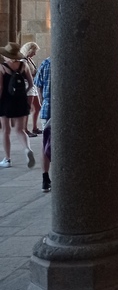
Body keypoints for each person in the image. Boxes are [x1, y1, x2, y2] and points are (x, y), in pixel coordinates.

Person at [0, 42, 35, 168]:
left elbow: (0, 87)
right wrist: (23, 94)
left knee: (6, 131)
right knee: (20, 130)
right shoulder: (24, 65)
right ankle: (27, 149)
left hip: (5, 101)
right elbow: (31, 84)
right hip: (20, 101)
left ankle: (7, 159)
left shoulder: (2, 67)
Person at [34, 55, 52, 192]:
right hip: (69, 110)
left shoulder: (46, 63)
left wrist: (42, 102)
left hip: (47, 108)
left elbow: (38, 86)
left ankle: (45, 178)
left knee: (45, 143)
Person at [20, 42, 41, 136]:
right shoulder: (23, 61)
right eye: (34, 51)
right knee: (27, 108)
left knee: (37, 107)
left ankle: (35, 128)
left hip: (32, 85)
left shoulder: (29, 60)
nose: (35, 53)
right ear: (29, 50)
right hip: (27, 85)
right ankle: (25, 129)